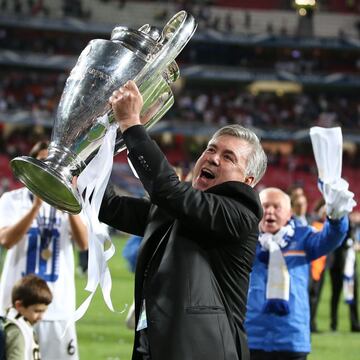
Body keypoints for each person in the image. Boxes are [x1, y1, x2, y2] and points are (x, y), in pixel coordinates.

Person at [99, 80, 268, 360]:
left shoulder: (240, 214)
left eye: (228, 157)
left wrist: (131, 123)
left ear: (248, 180)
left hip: (205, 350)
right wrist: (92, 152)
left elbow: (168, 191)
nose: (213, 158)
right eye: (211, 149)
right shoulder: (179, 208)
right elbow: (111, 207)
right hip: (154, 345)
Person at [0, 141, 88, 360]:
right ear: (32, 166)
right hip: (16, 305)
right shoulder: (12, 199)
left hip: (58, 307)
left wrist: (65, 201)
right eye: (42, 163)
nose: (48, 170)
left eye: (54, 165)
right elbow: (6, 241)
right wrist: (36, 208)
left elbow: (83, 243)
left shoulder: (74, 204)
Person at [245, 187, 350, 360]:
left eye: (276, 207)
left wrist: (337, 218)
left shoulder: (303, 238)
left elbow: (332, 237)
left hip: (292, 338)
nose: (270, 211)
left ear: (289, 214)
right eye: (265, 206)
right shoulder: (245, 241)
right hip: (251, 337)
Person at [3, 274, 52, 360]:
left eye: (43, 311)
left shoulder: (22, 323)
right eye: (37, 311)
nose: (41, 317)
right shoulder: (16, 331)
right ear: (19, 305)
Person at [328, 220, 360, 332]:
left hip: (350, 268)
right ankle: (333, 323)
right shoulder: (337, 229)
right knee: (335, 296)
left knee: (353, 296)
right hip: (337, 266)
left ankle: (354, 324)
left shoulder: (353, 230)